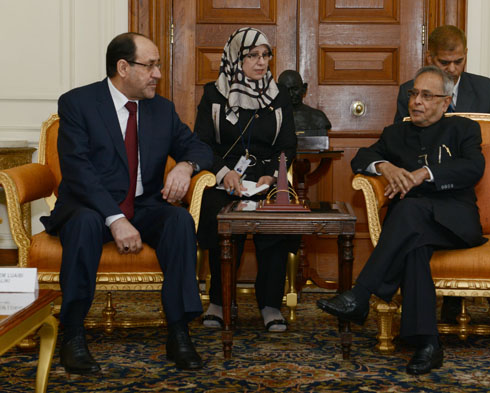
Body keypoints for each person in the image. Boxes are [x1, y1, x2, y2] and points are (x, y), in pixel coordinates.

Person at [40, 32, 213, 374]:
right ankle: (72, 333)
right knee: (86, 223)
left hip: (143, 205)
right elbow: (78, 171)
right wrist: (114, 218)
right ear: (123, 67)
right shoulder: (78, 104)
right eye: (150, 65)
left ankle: (179, 332)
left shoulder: (160, 109)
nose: (158, 74)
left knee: (178, 221)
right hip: (88, 206)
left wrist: (184, 165)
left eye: (158, 65)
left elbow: (200, 148)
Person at [317, 65, 486, 375]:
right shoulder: (395, 133)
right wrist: (385, 167)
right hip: (412, 229)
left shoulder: (464, 129)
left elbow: (473, 168)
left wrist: (426, 174)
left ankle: (360, 294)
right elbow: (361, 158)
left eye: (426, 95)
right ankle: (428, 345)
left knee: (408, 211)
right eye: (413, 94)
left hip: (454, 221)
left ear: (445, 102)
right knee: (414, 248)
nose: (416, 101)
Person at [394, 25, 490, 327]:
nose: (453, 69)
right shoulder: (412, 92)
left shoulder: (485, 89)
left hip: (475, 182)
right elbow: (401, 144)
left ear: (465, 56)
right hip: (432, 187)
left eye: (459, 61)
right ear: (430, 57)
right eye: (445, 63)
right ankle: (444, 305)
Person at [195, 27, 298, 332]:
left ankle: (270, 304)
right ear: (235, 58)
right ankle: (218, 300)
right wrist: (224, 174)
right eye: (252, 55)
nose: (261, 61)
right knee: (220, 218)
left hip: (267, 176)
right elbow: (201, 143)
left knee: (276, 221)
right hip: (225, 176)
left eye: (266, 55)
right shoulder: (214, 94)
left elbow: (288, 145)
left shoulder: (278, 96)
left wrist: (274, 175)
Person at [278, 70, 332, 134]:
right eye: (286, 90)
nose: (291, 94)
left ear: (304, 89)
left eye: (295, 89)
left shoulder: (318, 117)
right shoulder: (272, 118)